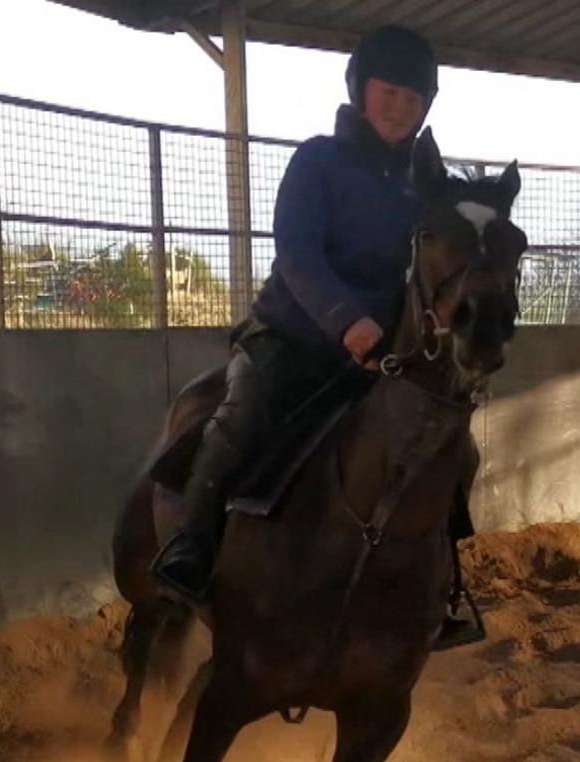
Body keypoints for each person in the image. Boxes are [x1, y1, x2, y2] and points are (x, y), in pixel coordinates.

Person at [151, 24, 483, 648]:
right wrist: (348, 322)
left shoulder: (424, 188)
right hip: (290, 338)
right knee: (241, 420)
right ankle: (191, 552)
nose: (400, 108)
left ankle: (440, 590)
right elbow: (297, 256)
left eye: (414, 100)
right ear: (361, 90)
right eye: (390, 92)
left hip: (383, 357)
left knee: (456, 451)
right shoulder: (317, 161)